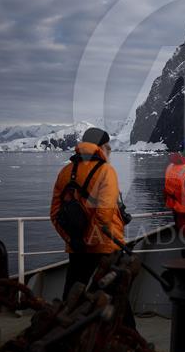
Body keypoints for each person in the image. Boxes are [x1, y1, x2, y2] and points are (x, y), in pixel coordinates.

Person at [50, 127, 131, 308]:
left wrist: (73, 239)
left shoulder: (65, 172)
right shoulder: (106, 171)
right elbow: (104, 213)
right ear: (101, 146)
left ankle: (67, 332)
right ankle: (126, 333)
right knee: (114, 297)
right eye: (107, 145)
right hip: (104, 246)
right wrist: (90, 240)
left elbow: (55, 213)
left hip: (76, 247)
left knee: (72, 296)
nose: (109, 149)